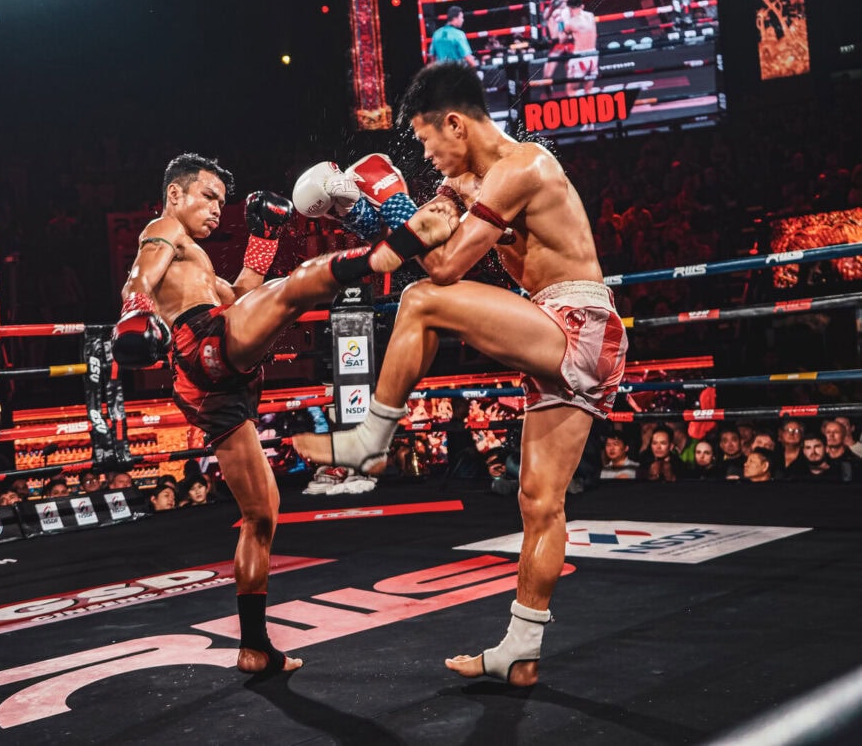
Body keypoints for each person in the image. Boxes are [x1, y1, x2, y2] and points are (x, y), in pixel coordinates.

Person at [292, 60, 629, 688]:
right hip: (564, 335)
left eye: (425, 138)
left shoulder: (522, 167)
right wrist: (353, 209)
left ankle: (370, 440)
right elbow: (416, 238)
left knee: (423, 301)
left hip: (577, 321)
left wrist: (386, 198)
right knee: (539, 504)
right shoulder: (467, 184)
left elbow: (442, 268)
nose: (424, 152)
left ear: (455, 123)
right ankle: (521, 651)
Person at [112, 152, 445, 674]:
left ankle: (253, 646)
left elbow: (242, 299)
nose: (218, 209)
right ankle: (395, 247)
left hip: (220, 381)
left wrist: (262, 240)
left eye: (223, 201)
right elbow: (139, 277)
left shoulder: (198, 263)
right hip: (204, 347)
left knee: (262, 513)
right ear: (174, 195)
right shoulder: (164, 230)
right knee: (292, 289)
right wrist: (133, 312)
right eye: (207, 196)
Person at [563, 0, 598, 96]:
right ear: (581, 6)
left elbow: (563, 33)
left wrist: (563, 19)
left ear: (569, 8)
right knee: (588, 90)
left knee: (571, 90)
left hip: (579, 57)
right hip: (593, 55)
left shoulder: (570, 22)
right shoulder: (591, 16)